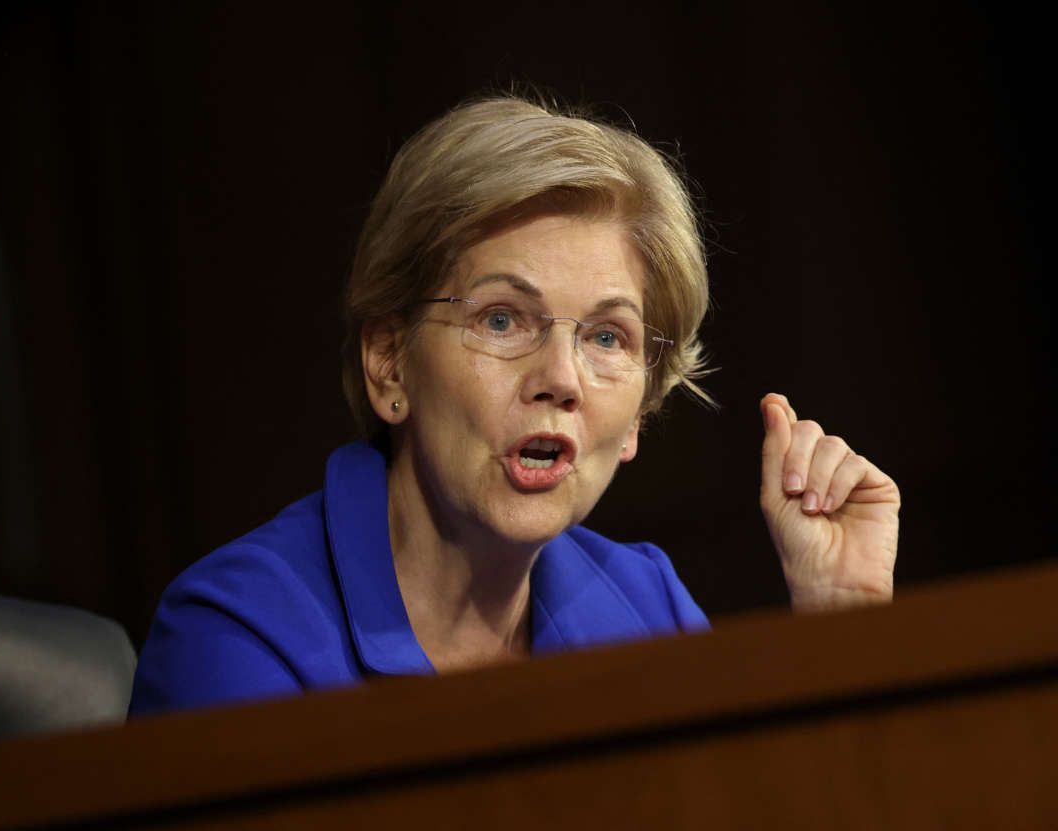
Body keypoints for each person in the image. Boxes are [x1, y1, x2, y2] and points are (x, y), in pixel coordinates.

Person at [128, 96, 900, 716]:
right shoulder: (239, 636)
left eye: (606, 336)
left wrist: (843, 630)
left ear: (637, 416)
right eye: (502, 319)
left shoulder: (646, 609)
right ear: (388, 362)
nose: (559, 376)